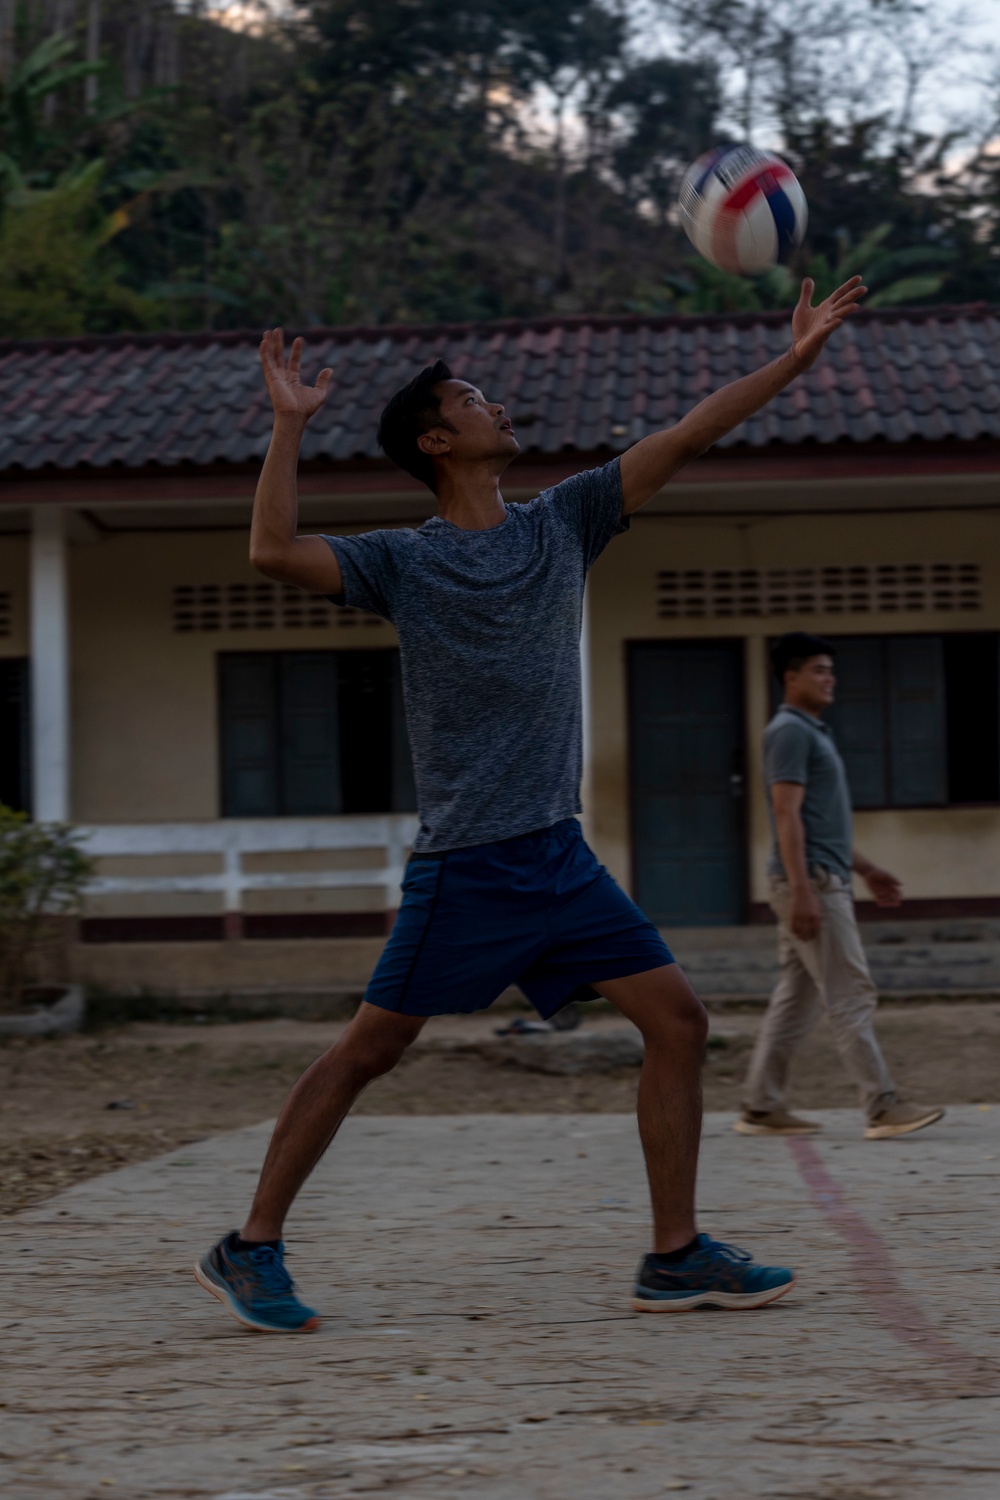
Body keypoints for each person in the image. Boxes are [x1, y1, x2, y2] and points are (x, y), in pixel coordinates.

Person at [195, 277, 867, 1334]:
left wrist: (794, 361)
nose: (496, 407)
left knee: (680, 1024)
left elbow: (687, 434)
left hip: (557, 857)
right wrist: (287, 428)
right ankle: (250, 1245)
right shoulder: (404, 562)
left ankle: (674, 1254)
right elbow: (272, 551)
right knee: (370, 1051)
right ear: (436, 442)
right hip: (469, 864)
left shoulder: (564, 522)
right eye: (472, 400)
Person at [735, 632, 944, 1141]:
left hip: (817, 877)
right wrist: (804, 891)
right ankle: (882, 1105)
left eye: (831, 671)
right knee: (850, 993)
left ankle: (761, 1107)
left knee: (797, 997)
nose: (830, 679)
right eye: (819, 670)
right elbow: (786, 815)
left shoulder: (811, 731)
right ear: (791, 677)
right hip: (811, 885)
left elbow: (819, 823)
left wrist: (867, 869)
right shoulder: (788, 731)